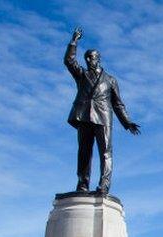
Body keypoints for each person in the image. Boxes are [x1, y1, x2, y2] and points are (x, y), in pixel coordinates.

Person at [64, 26, 141, 194]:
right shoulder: (82, 75)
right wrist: (74, 42)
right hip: (84, 116)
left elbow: (118, 104)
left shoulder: (111, 80)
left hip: (104, 117)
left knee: (105, 152)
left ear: (98, 59)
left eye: (91, 58)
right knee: (84, 152)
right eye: (86, 58)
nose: (88, 61)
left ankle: (104, 185)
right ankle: (82, 184)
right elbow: (69, 62)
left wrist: (127, 122)